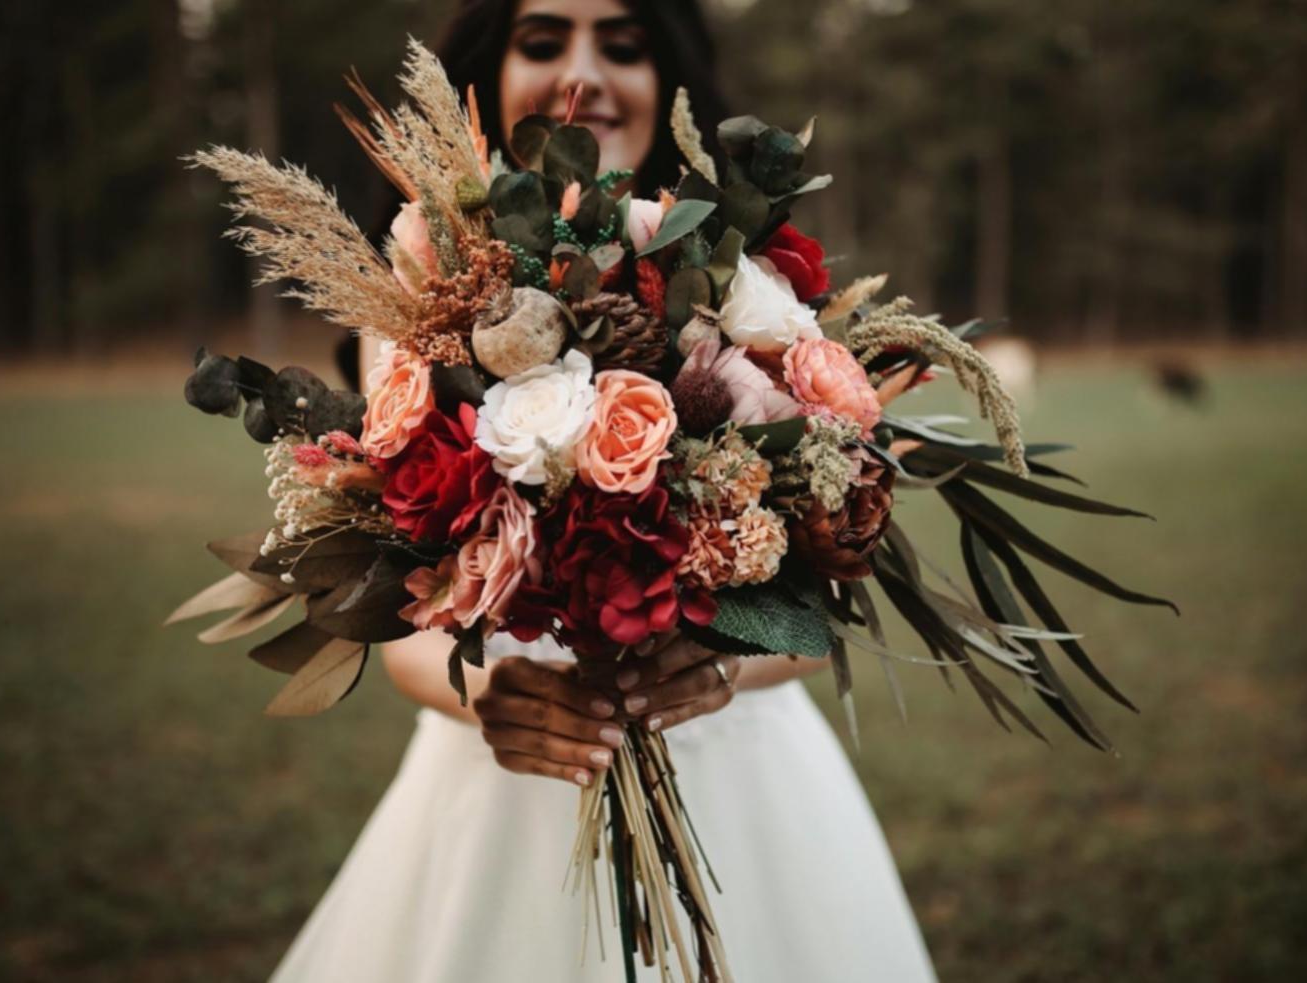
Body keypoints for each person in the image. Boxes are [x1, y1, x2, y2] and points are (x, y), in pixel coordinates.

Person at [274, 2, 938, 979]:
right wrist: (491, 691)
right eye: (542, 42)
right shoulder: (417, 290)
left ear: (667, 78)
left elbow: (816, 597)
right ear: (487, 76)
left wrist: (722, 669)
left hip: (736, 764)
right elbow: (400, 598)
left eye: (621, 46)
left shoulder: (745, 282)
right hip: (508, 770)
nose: (579, 77)